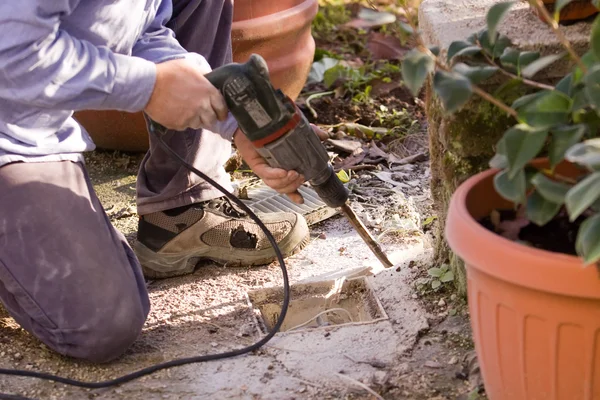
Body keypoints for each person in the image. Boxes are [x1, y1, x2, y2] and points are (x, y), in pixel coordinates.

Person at [0, 0, 318, 363]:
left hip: (32, 117)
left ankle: (184, 210)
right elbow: (12, 50)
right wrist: (149, 88)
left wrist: (233, 119)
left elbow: (141, 28)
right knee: (101, 322)